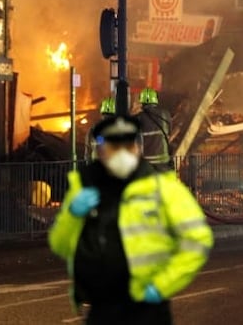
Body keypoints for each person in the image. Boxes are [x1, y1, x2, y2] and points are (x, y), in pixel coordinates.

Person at [49, 115, 213, 324]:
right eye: (113, 145)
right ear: (99, 150)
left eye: (127, 144)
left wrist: (162, 285)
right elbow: (60, 245)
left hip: (145, 309)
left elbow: (197, 240)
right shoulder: (84, 188)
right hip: (102, 308)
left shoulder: (163, 189)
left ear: (138, 148)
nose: (121, 153)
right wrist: (72, 215)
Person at [137, 87, 172, 170]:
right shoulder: (165, 114)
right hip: (164, 163)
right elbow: (169, 133)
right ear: (155, 100)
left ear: (142, 102)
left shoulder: (138, 118)